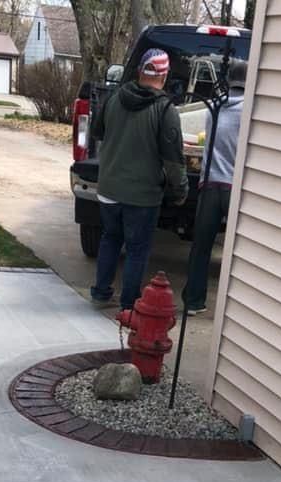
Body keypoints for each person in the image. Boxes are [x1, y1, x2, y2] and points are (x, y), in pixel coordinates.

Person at [90, 48, 188, 314]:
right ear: (164, 76)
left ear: (139, 71)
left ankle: (100, 292)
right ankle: (128, 304)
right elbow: (173, 159)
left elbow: (97, 132)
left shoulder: (113, 99)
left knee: (110, 238)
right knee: (137, 250)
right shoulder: (165, 109)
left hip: (108, 189)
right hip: (142, 196)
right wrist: (180, 191)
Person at [183, 58, 248, 314]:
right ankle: (232, 308)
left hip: (210, 185)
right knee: (235, 249)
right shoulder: (250, 111)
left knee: (201, 246)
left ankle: (193, 301)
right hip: (234, 188)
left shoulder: (214, 108)